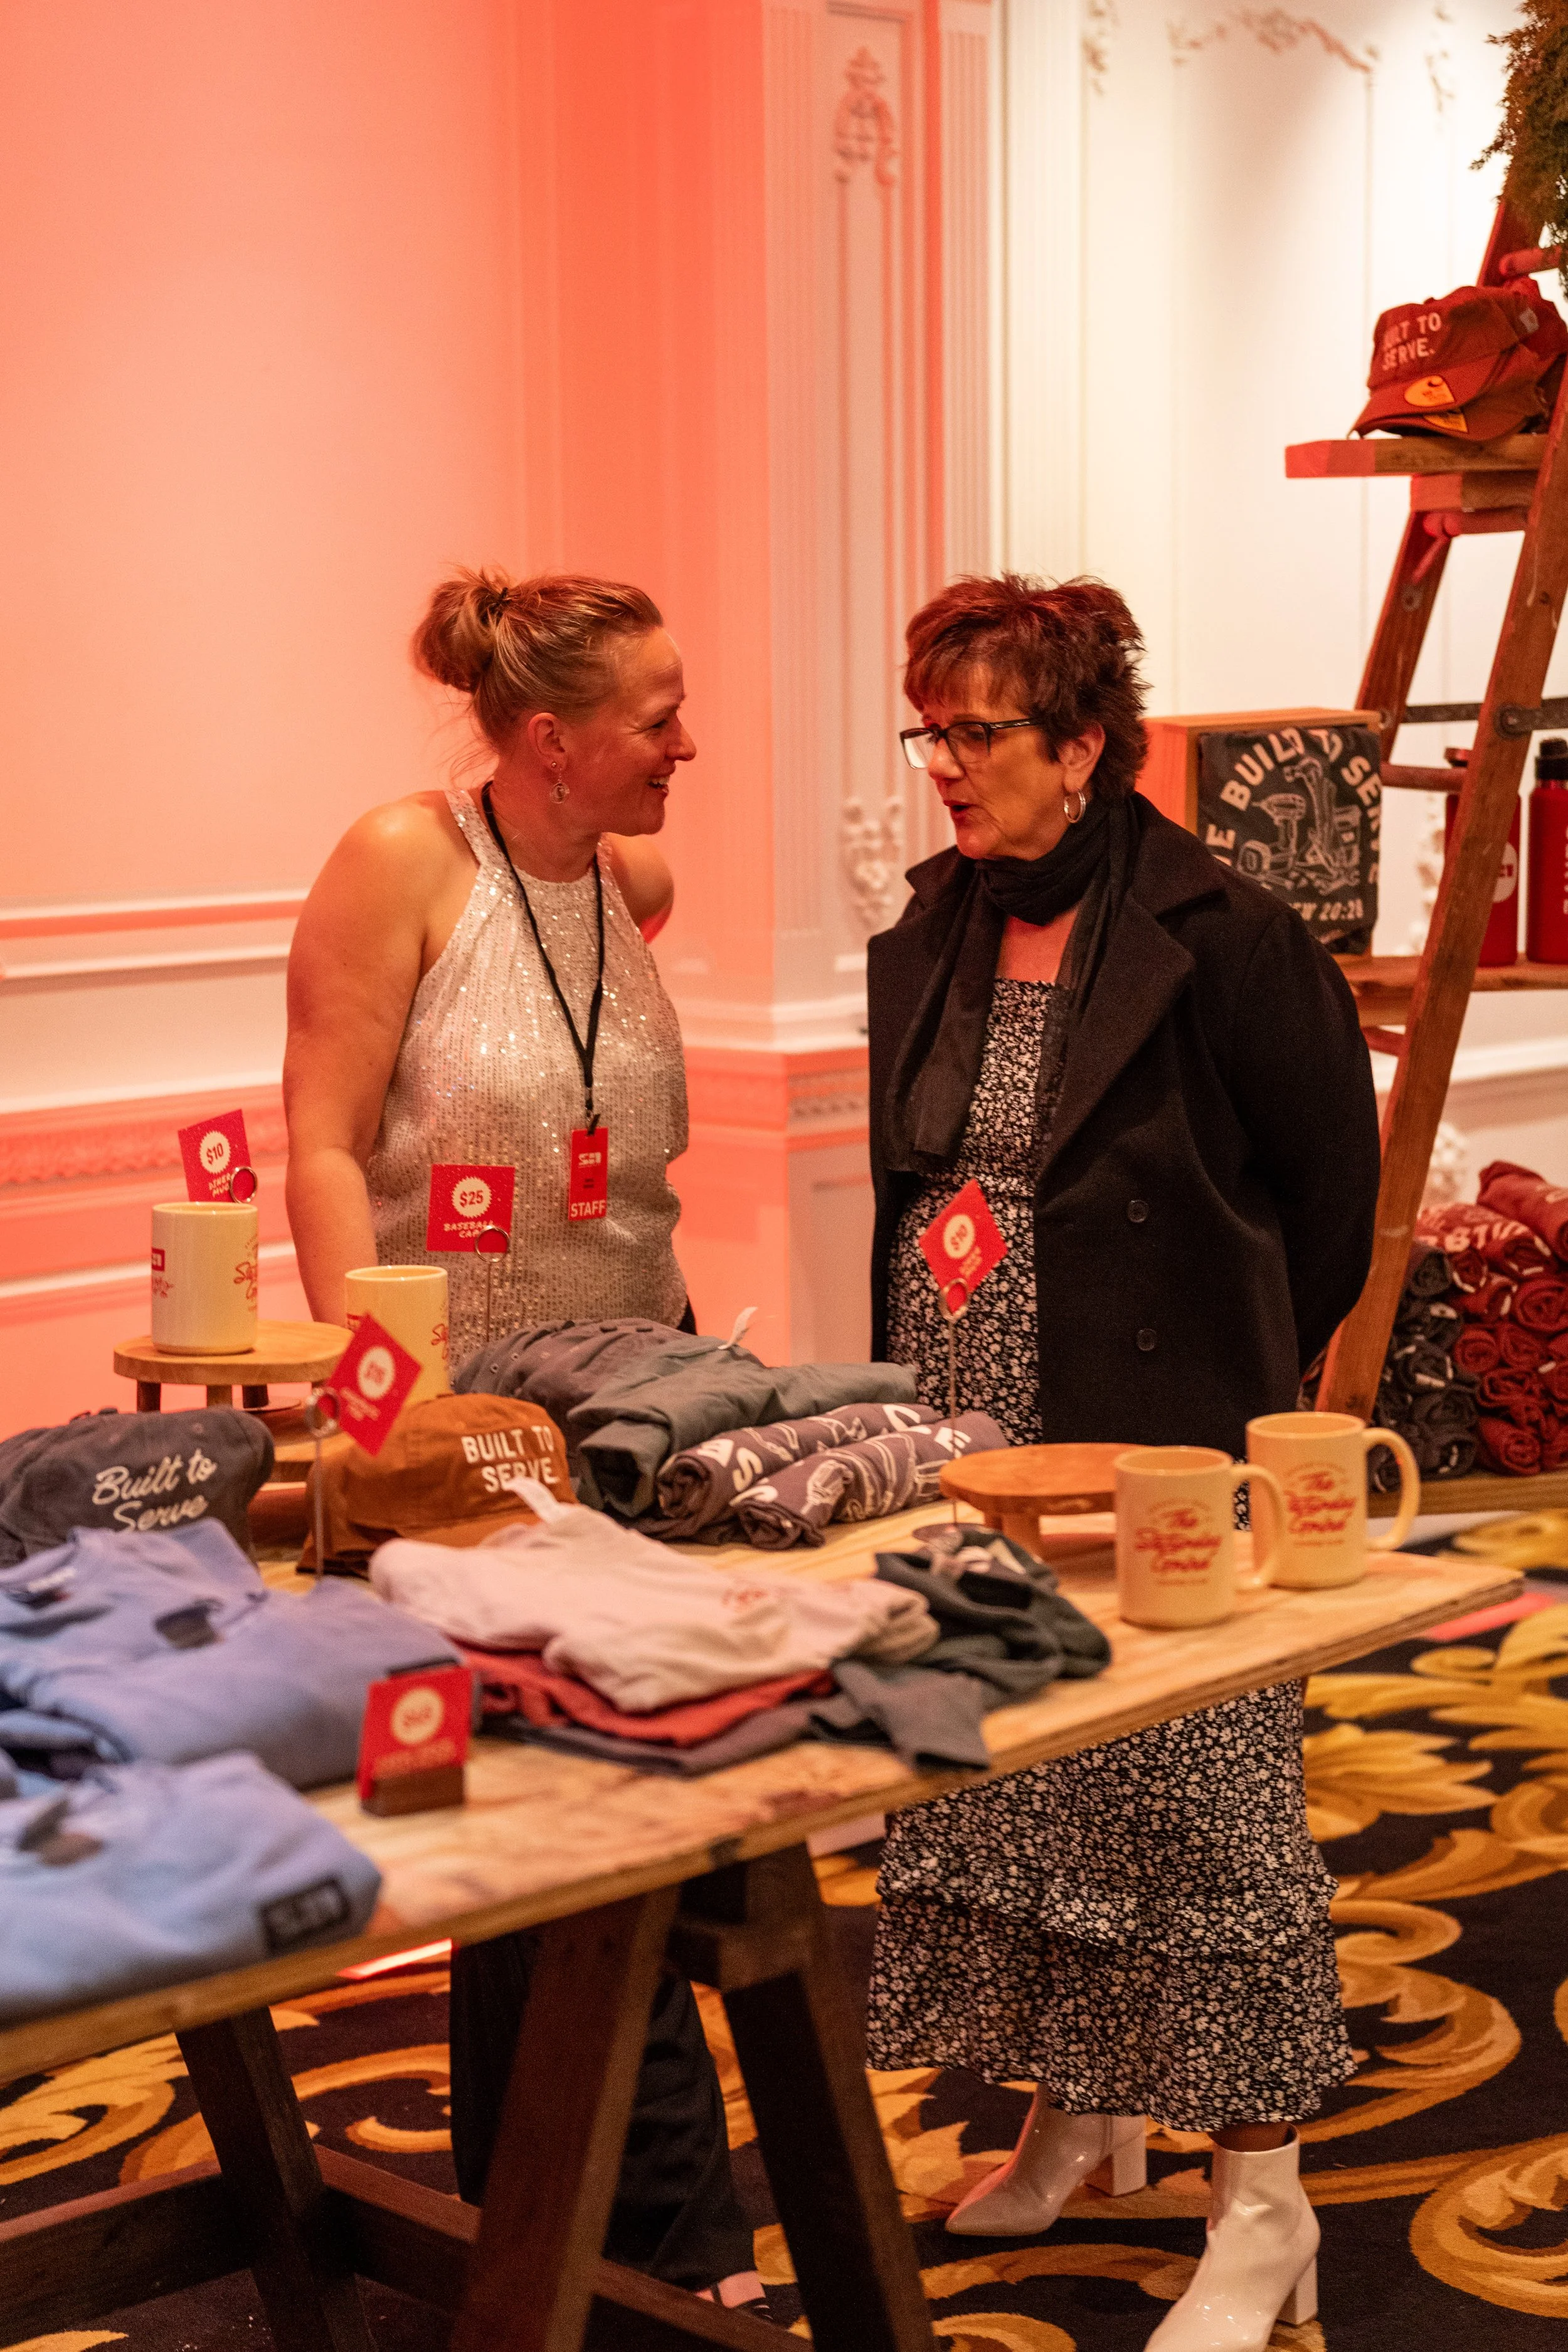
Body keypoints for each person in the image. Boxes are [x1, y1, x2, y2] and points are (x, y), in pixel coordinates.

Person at [862, 574, 1381, 2352]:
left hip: (1158, 1441)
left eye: (979, 731)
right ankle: (1080, 2121)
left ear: (1083, 744)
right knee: (1016, 1780)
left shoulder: (1222, 933)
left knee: (1201, 1799)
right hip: (967, 1426)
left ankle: (1260, 2201)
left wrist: (1226, 1419)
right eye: (928, 728)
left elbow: (1329, 1201)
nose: (946, 765)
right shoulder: (932, 920)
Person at [285, 569, 761, 2313]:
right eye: (657, 717)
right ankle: (651, 2249)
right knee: (556, 1830)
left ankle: (551, 2241)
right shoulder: (399, 863)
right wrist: (393, 1404)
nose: (686, 744)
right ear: (550, 739)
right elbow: (327, 1144)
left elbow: (621, 1181)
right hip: (462, 1426)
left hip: (632, 1408)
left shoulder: (631, 878)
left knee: (609, 1829)